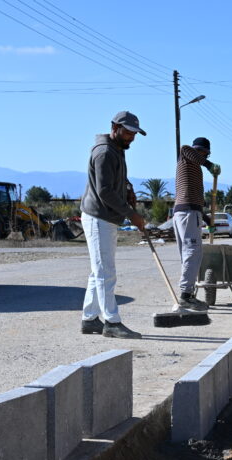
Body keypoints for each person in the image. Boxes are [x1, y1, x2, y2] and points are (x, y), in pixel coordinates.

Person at [79, 110, 147, 339]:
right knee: (105, 272)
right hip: (98, 217)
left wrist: (127, 189)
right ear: (114, 127)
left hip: (107, 218)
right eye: (128, 133)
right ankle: (112, 322)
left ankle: (89, 319)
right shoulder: (104, 152)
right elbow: (104, 191)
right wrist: (132, 215)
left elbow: (115, 180)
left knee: (98, 270)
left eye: (134, 134)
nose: (132, 138)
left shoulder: (117, 150)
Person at [173, 137, 220, 311]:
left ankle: (188, 293)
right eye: (203, 154)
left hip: (188, 212)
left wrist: (208, 221)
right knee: (193, 253)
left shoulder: (194, 168)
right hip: (187, 213)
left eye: (206, 155)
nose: (204, 157)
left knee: (189, 254)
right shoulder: (186, 156)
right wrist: (209, 165)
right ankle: (186, 295)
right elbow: (185, 148)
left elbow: (195, 202)